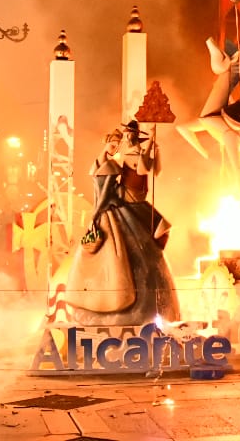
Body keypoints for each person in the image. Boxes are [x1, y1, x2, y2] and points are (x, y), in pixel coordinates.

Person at [63, 122, 179, 327]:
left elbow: (146, 168)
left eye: (130, 134)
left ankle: (149, 312)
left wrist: (152, 142)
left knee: (152, 243)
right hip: (123, 207)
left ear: (135, 136)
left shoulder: (136, 154)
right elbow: (101, 172)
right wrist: (109, 151)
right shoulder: (124, 157)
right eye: (126, 135)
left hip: (137, 206)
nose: (127, 138)